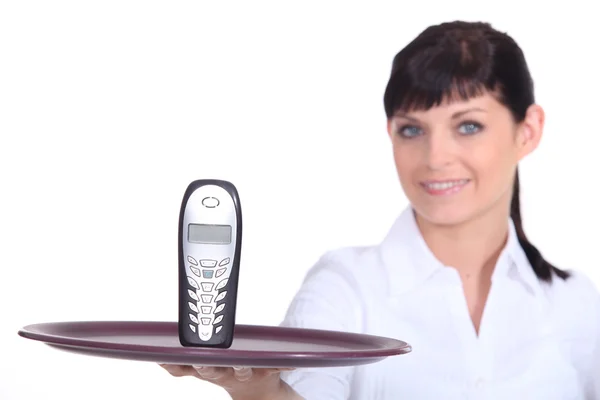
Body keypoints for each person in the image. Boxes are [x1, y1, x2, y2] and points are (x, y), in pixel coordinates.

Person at [160, 20, 600, 399]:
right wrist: (260, 391)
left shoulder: (577, 305)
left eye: (469, 125)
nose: (435, 157)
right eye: (412, 129)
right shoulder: (344, 287)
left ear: (529, 130)